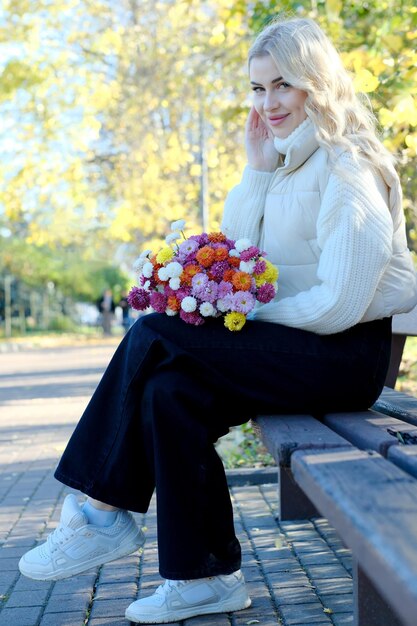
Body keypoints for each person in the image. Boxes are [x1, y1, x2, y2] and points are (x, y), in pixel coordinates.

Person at [18, 15, 417, 624]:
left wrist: (242, 322)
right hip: (295, 349)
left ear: (317, 82)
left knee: (152, 332)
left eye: (283, 85)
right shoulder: (283, 166)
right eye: (258, 88)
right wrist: (255, 171)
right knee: (167, 392)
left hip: (342, 357)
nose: (269, 102)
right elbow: (235, 255)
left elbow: (339, 304)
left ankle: (98, 509)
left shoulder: (348, 167)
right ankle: (204, 580)